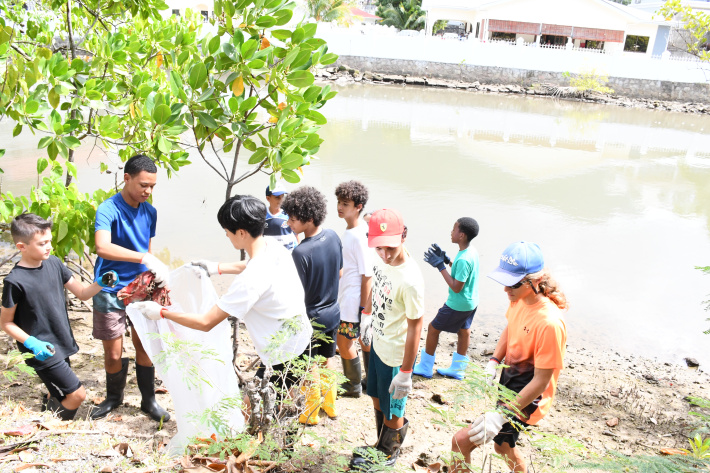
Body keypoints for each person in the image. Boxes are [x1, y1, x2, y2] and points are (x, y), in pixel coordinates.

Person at [133, 195, 312, 403]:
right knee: (282, 407)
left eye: (227, 231)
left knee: (253, 413)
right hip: (301, 339)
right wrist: (216, 268)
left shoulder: (249, 281)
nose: (226, 235)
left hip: (283, 356)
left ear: (242, 232)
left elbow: (206, 322)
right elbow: (253, 264)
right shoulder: (272, 245)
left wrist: (161, 313)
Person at [450, 242, 567, 473]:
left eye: (512, 282)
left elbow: (541, 381)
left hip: (528, 396)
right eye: (504, 281)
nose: (506, 289)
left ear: (535, 280)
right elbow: (510, 327)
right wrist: (494, 361)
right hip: (509, 382)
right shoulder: (518, 298)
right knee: (502, 446)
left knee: (459, 442)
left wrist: (501, 415)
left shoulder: (550, 323)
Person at [0, 214, 118, 420]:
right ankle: (55, 424)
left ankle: (49, 409)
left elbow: (81, 293)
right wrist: (32, 342)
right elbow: (5, 322)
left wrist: (100, 283)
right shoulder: (15, 281)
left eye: (50, 241)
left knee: (58, 391)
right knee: (77, 395)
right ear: (21, 247)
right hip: (40, 349)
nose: (49, 247)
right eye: (42, 243)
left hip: (61, 341)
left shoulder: (54, 263)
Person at [91, 154, 170, 421]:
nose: (148, 191)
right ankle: (114, 398)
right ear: (127, 178)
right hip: (110, 288)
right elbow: (102, 246)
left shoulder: (150, 212)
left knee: (145, 344)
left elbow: (147, 250)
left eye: (153, 187)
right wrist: (142, 258)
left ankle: (149, 400)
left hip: (141, 288)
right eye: (143, 185)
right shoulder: (108, 209)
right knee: (113, 352)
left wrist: (154, 273)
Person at [350, 209, 424, 471]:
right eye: (379, 248)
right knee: (376, 396)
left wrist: (406, 372)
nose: (384, 254)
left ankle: (388, 454)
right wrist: (367, 314)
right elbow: (374, 283)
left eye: (390, 248)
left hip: (395, 352)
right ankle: (379, 444)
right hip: (378, 342)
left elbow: (416, 327)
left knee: (393, 408)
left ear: (403, 236)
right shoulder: (379, 257)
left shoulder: (411, 280)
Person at [281, 186, 343, 424]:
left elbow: (297, 293)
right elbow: (338, 272)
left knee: (308, 366)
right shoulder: (334, 236)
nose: (288, 223)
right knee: (327, 359)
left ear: (308, 219)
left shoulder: (300, 253)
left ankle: (310, 413)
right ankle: (331, 405)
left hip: (312, 317)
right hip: (333, 312)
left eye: (293, 219)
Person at [414, 217, 480, 380]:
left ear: (462, 235)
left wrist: (440, 267)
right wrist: (447, 260)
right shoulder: (470, 252)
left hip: (457, 304)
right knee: (464, 331)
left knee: (433, 328)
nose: (451, 232)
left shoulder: (464, 259)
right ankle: (458, 369)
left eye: (454, 229)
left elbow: (456, 287)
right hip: (471, 301)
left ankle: (426, 367)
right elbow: (460, 271)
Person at [334, 180, 373, 398]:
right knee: (360, 340)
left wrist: (362, 309)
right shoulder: (353, 230)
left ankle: (353, 386)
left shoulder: (358, 235)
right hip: (348, 296)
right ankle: (367, 379)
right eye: (339, 202)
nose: (340, 207)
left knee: (344, 341)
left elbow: (367, 275)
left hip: (352, 301)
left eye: (345, 203)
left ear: (358, 206)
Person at [263, 182, 298, 252]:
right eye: (277, 198)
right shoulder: (262, 215)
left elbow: (296, 235)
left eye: (282, 197)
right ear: (268, 198)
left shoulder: (289, 213)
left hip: (289, 255)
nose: (281, 200)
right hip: (270, 255)